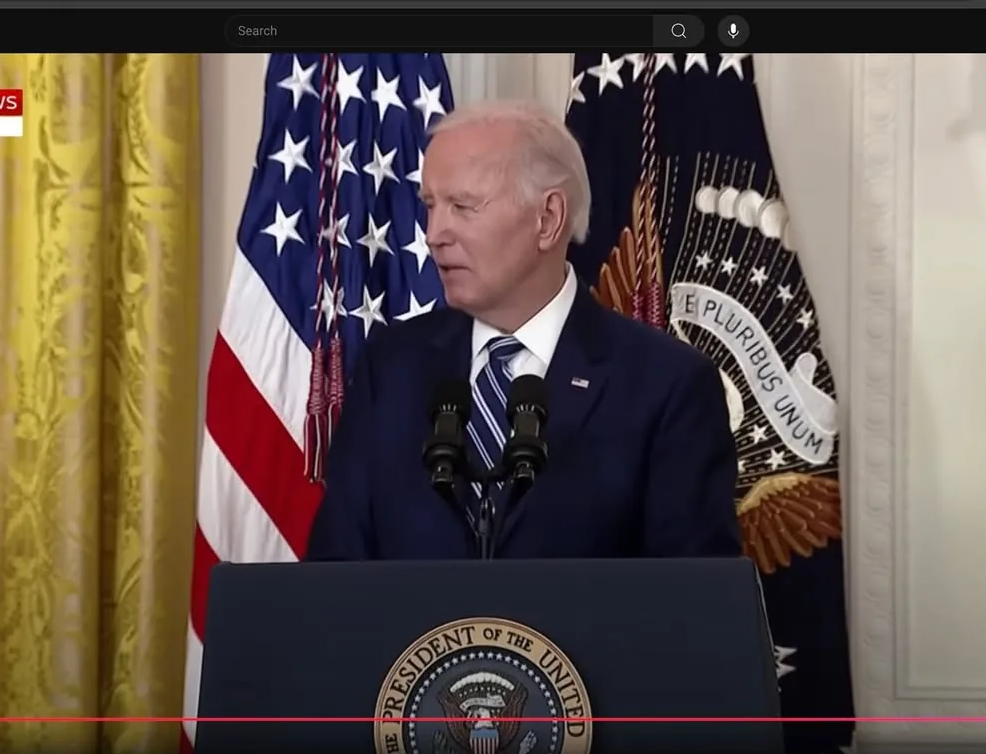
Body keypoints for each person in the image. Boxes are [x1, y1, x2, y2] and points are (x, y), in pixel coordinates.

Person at [304, 99, 740, 560]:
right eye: (431, 206)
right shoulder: (392, 367)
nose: (435, 233)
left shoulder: (666, 386)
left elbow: (692, 611)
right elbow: (335, 579)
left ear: (548, 219)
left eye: (463, 206)